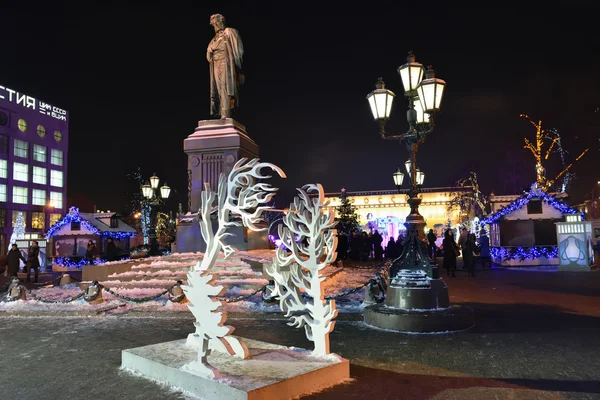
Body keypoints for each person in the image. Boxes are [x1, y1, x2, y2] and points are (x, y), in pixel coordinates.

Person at [207, 14, 244, 119]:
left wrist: (237, 68)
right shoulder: (214, 39)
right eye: (213, 24)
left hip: (225, 61)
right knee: (218, 88)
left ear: (221, 21)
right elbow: (209, 52)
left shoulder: (230, 32)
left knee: (225, 87)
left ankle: (225, 113)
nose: (215, 26)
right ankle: (221, 111)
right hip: (215, 63)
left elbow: (239, 50)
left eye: (216, 23)